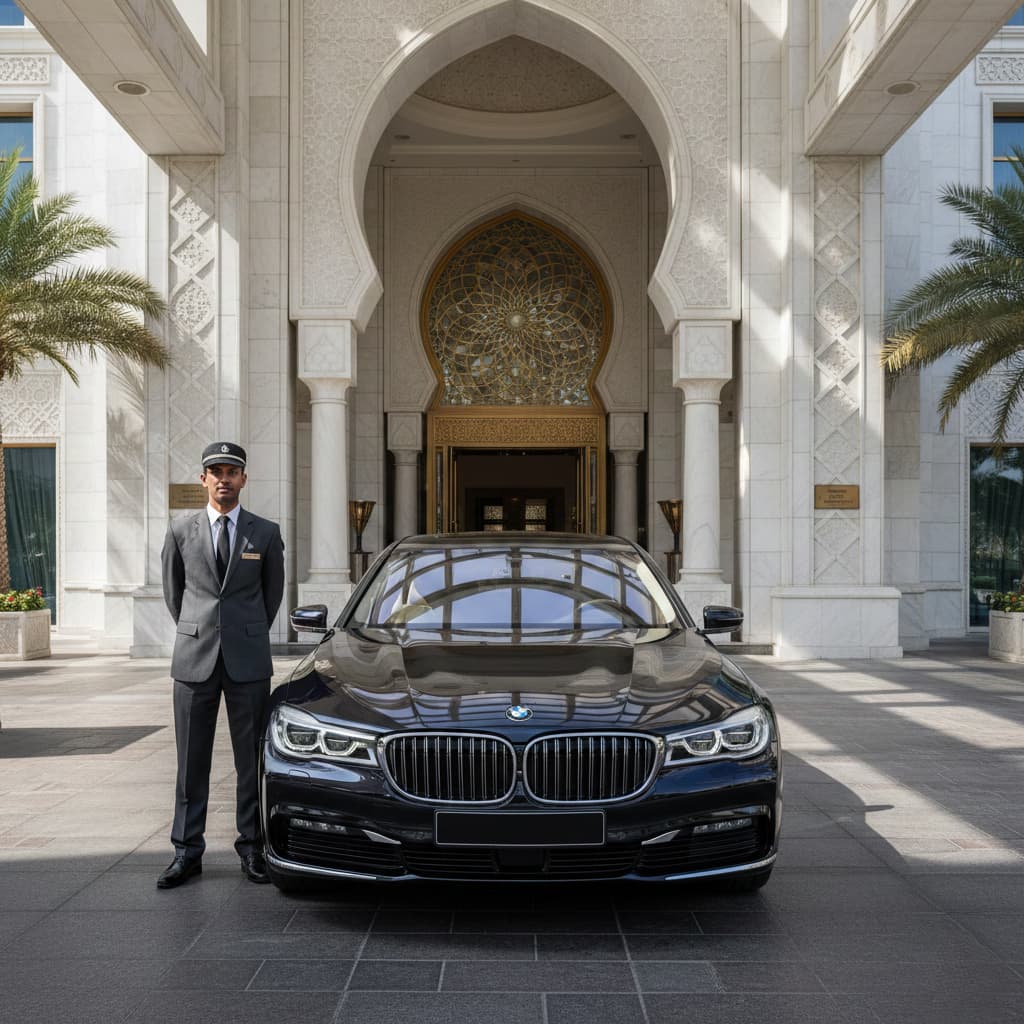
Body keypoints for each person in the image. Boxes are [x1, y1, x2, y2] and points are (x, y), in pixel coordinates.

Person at [157, 442, 285, 889]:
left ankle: (252, 849)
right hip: (194, 662)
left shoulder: (265, 533)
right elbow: (176, 595)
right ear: (203, 478)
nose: (224, 479)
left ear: (244, 479)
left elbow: (272, 597)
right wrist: (200, 630)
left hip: (248, 662)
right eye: (216, 471)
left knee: (252, 760)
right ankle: (186, 852)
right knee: (191, 762)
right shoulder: (179, 530)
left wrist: (244, 631)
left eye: (232, 472)